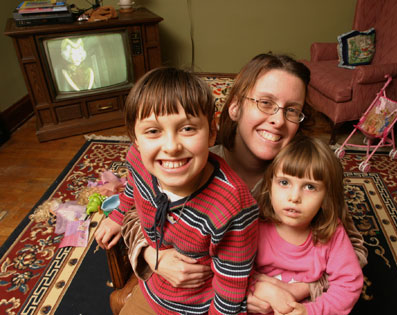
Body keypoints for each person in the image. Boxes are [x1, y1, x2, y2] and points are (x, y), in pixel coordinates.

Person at [97, 53, 368, 313]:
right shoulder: (189, 161)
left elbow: (350, 250)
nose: (277, 119)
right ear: (235, 107)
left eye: (292, 111)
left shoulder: (302, 177)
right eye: (265, 103)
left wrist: (299, 288)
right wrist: (151, 255)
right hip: (180, 290)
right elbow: (139, 209)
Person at [95, 67, 259, 314]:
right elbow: (132, 188)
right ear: (136, 139)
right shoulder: (137, 160)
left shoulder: (232, 206)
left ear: (212, 132)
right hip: (151, 291)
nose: (171, 147)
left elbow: (230, 290)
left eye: (188, 129)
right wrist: (118, 217)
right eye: (153, 131)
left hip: (197, 309)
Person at [251, 135, 363, 314]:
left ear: (326, 196)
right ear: (269, 185)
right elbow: (230, 268)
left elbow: (349, 283)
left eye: (310, 187)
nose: (294, 197)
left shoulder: (333, 232)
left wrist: (311, 311)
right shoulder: (254, 224)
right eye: (284, 182)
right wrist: (259, 288)